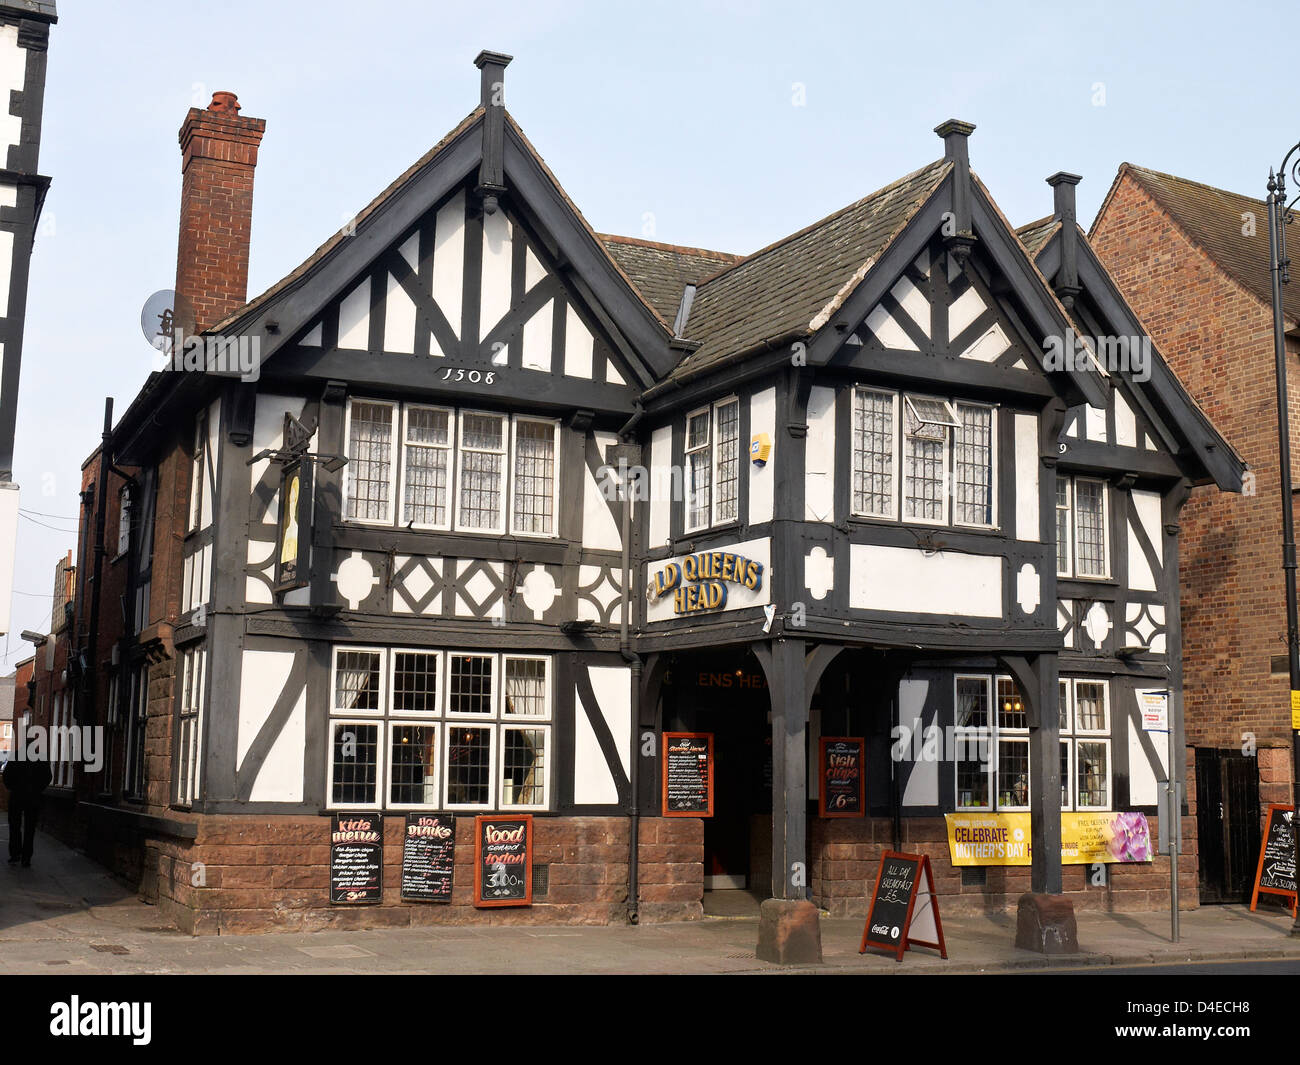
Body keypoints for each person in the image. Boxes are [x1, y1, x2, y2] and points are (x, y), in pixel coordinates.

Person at [4, 755, 51, 867]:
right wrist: (38, 789)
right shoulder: (41, 758)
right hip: (33, 798)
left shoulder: (15, 757)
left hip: (16, 796)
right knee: (30, 829)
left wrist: (13, 788)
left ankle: (15, 854)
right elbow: (48, 777)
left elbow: (6, 777)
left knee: (15, 826)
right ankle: (26, 858)